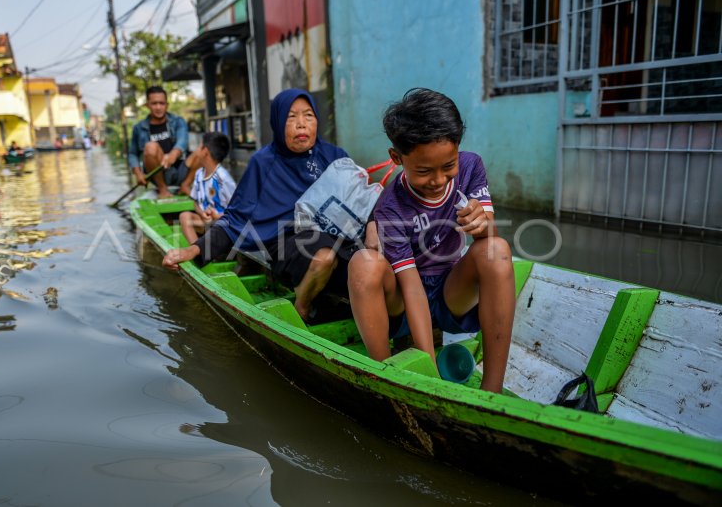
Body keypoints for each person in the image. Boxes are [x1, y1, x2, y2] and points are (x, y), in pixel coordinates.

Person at [347, 88, 514, 393]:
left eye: (448, 167)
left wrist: (482, 225)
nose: (438, 181)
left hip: (452, 294)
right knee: (363, 264)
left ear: (458, 150)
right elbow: (411, 287)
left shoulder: (471, 167)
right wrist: (431, 372)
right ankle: (387, 379)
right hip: (404, 299)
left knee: (497, 249)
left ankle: (493, 392)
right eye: (424, 171)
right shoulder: (390, 207)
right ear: (396, 158)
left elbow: (488, 237)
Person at [163, 88, 357, 320]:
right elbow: (234, 219)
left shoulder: (334, 156)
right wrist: (193, 249)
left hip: (337, 236)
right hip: (287, 242)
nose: (301, 124)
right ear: (277, 122)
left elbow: (358, 202)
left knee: (369, 259)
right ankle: (302, 306)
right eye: (291, 117)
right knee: (324, 255)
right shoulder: (263, 163)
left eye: (308, 115)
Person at [129, 85, 196, 199]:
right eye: (154, 103)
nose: (158, 107)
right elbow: (132, 153)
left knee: (204, 150)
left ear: (167, 105)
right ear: (147, 105)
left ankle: (185, 186)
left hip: (181, 170)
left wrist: (173, 155)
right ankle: (163, 190)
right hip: (158, 174)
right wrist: (138, 173)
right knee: (150, 147)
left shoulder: (178, 122)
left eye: (162, 103)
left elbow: (182, 141)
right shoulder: (139, 128)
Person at [178, 132, 236, 243]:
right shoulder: (199, 173)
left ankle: (208, 249)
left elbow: (237, 210)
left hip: (223, 224)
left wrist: (218, 216)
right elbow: (195, 202)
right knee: (184, 217)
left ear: (205, 151)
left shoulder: (223, 178)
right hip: (207, 222)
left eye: (200, 146)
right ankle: (197, 250)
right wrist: (201, 213)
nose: (197, 149)